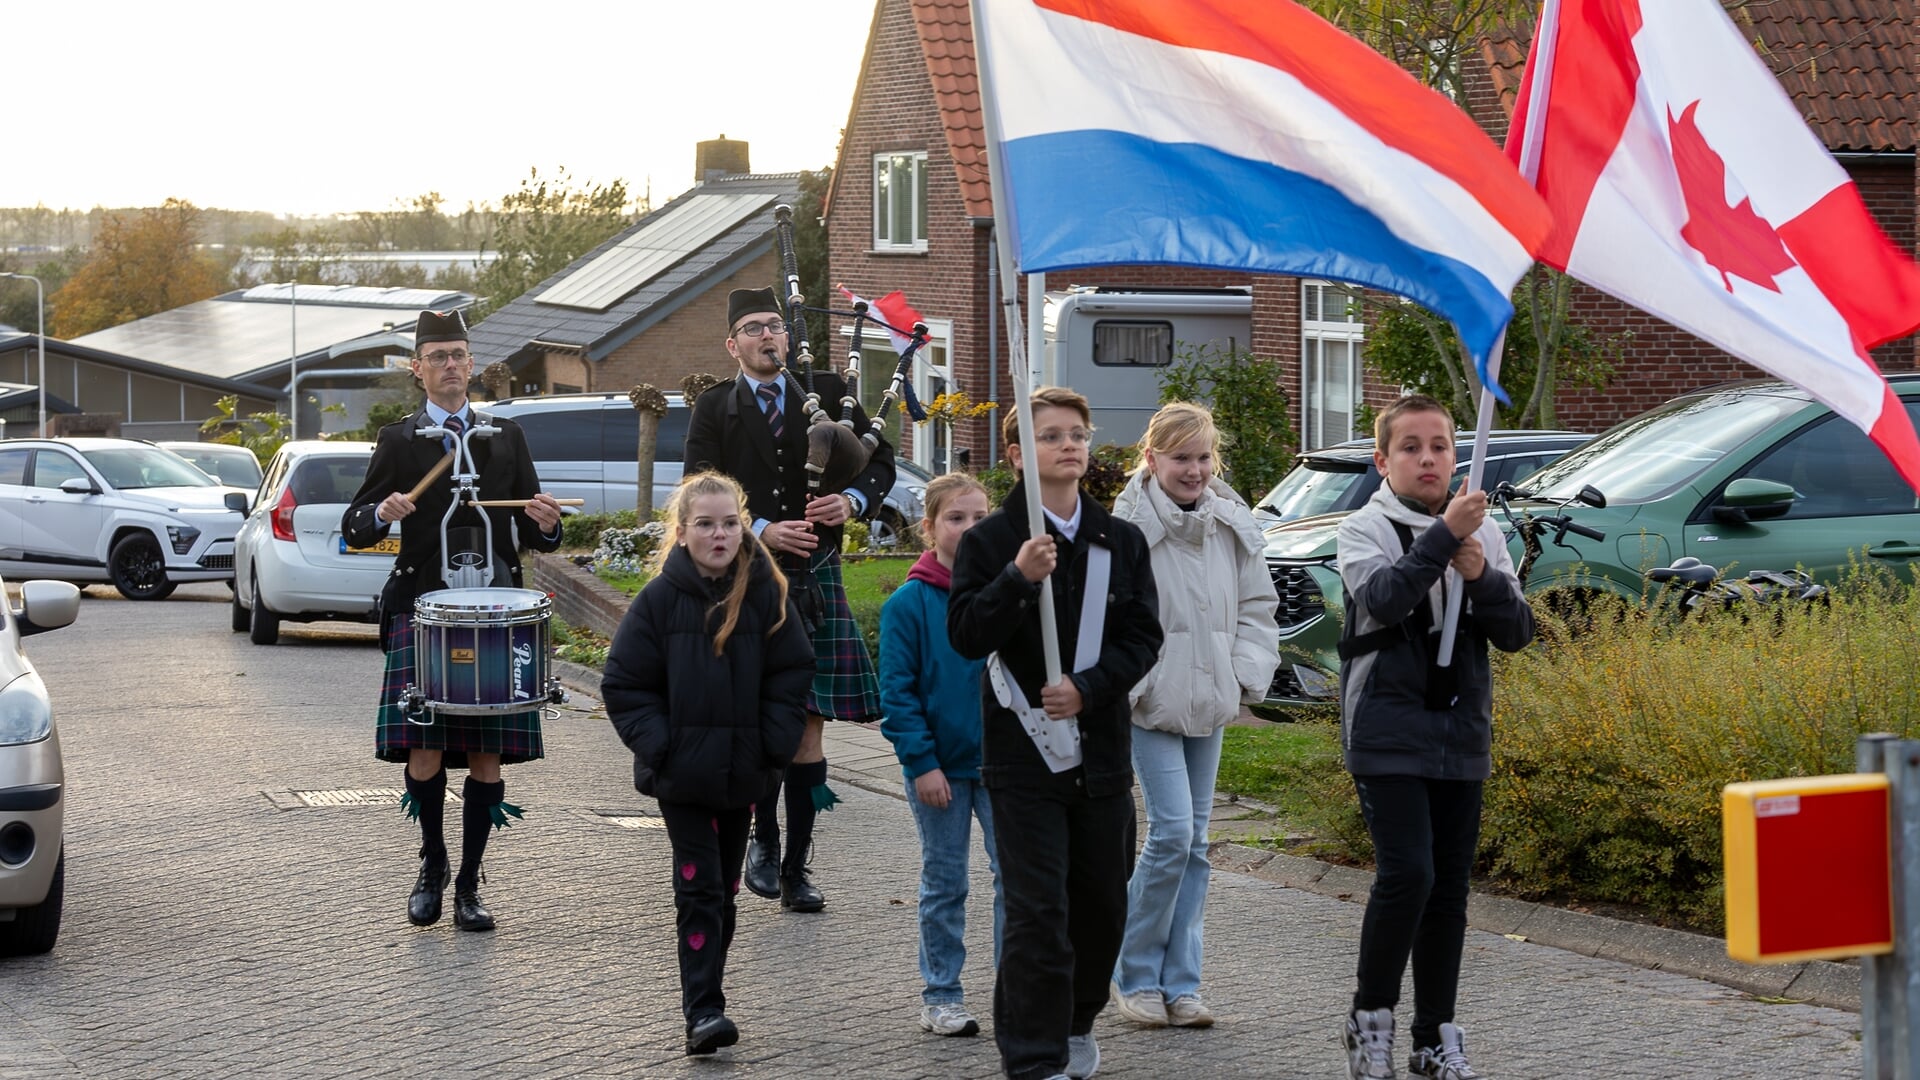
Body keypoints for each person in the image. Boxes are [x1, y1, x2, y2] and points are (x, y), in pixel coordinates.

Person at [948, 387, 1162, 1080]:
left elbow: (1144, 637)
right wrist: (1017, 578)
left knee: (1102, 906)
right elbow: (965, 634)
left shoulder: (1120, 541)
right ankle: (1034, 1056)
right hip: (1022, 758)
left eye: (1077, 434)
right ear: (1017, 455)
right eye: (1051, 436)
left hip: (1100, 755)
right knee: (1037, 910)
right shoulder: (990, 542)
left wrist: (1089, 688)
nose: (1069, 445)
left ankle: (1075, 1020)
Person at [342, 308, 565, 933]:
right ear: (418, 369)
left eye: (458, 355)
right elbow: (355, 528)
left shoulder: (505, 437)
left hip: (495, 616)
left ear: (471, 364)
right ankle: (432, 863)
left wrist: (548, 523)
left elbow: (535, 529)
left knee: (488, 754)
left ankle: (469, 882)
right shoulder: (399, 441)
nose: (449, 365)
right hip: (424, 613)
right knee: (425, 749)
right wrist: (382, 513)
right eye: (437, 356)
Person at [1335, 394, 1536, 1080]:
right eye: (1411, 447)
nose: (1428, 459)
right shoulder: (1364, 528)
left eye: (1440, 446)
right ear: (1382, 460)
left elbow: (1517, 632)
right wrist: (1443, 538)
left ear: (1458, 456)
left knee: (1448, 888)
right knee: (1408, 875)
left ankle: (1434, 1036)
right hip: (1386, 727)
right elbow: (1384, 600)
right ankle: (1370, 1024)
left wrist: (1480, 574)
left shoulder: (1484, 533)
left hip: (1459, 728)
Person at [684, 286, 896, 913]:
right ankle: (764, 841)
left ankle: (798, 867)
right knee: (756, 721)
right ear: (733, 345)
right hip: (747, 577)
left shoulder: (825, 391)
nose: (767, 336)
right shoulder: (714, 407)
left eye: (774, 325)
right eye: (753, 328)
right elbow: (697, 488)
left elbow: (879, 461)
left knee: (807, 726)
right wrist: (758, 529)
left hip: (817, 572)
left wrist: (851, 500)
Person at [601, 471, 815, 1057]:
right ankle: (703, 1011)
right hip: (684, 778)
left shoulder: (766, 594)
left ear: (741, 528)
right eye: (704, 524)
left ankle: (708, 1001)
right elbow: (624, 683)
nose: (718, 535)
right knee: (698, 888)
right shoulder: (658, 601)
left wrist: (772, 744)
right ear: (681, 532)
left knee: (723, 893)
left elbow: (792, 670)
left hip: (745, 773)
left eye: (729, 523)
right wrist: (663, 747)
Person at [1108, 402, 1279, 1030]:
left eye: (1204, 457)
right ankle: (1133, 973)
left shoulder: (1230, 525)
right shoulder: (1125, 531)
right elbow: (1110, 617)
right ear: (1151, 459)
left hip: (1210, 700)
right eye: (1181, 457)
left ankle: (1182, 983)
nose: (1195, 470)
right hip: (1150, 706)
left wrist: (1241, 673)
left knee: (1197, 844)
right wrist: (1138, 684)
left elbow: (1258, 606)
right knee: (1173, 833)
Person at [878, 473, 1004, 1039]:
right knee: (946, 882)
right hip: (940, 769)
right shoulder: (909, 604)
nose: (970, 529)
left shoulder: (1006, 595)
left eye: (980, 518)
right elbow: (898, 694)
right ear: (929, 528)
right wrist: (921, 763)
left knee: (1018, 880)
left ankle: (1016, 990)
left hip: (1004, 765)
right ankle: (942, 994)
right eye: (956, 518)